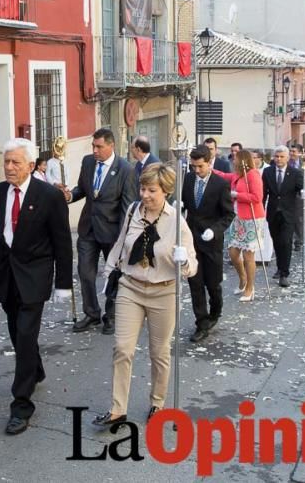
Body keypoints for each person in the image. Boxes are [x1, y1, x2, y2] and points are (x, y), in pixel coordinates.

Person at [0, 139, 73, 435]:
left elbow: (62, 243)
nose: (8, 167)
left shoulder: (48, 196)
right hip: (6, 277)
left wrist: (63, 284)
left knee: (26, 331)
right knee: (18, 334)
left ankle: (21, 405)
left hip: (35, 277)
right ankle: (35, 368)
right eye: (6, 161)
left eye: (15, 162)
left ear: (31, 165)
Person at [92, 164, 197, 429]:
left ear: (166, 191)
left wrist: (183, 261)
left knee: (159, 352)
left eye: (152, 190)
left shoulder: (176, 221)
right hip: (131, 287)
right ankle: (117, 410)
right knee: (122, 349)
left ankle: (158, 402)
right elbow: (121, 243)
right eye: (142, 188)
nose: (145, 195)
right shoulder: (132, 211)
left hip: (163, 292)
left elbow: (192, 266)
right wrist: (109, 270)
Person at [64, 128, 137, 335]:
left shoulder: (125, 170)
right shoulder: (88, 162)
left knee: (113, 275)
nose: (95, 150)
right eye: (93, 146)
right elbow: (82, 189)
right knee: (85, 273)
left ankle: (111, 316)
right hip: (88, 229)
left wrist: (124, 238)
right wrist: (69, 196)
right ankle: (91, 313)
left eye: (99, 147)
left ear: (111, 146)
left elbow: (128, 207)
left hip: (112, 231)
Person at [181, 146, 234, 342]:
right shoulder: (187, 179)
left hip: (211, 241)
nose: (196, 170)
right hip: (191, 240)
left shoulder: (220, 184)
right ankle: (201, 323)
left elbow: (229, 214)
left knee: (212, 284)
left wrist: (215, 230)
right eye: (193, 166)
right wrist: (178, 206)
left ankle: (215, 312)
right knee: (195, 282)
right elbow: (185, 203)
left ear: (209, 163)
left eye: (200, 166)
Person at [214, 149, 266, 301]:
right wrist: (210, 169)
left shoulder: (253, 175)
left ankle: (250, 288)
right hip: (237, 218)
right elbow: (225, 176)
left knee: (248, 255)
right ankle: (243, 278)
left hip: (251, 218)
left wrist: (237, 195)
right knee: (233, 252)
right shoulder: (238, 174)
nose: (233, 160)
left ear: (243, 160)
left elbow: (257, 197)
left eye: (236, 158)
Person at [263, 146, 304, 288]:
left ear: (287, 158)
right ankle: (280, 267)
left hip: (288, 213)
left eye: (281, 157)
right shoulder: (267, 172)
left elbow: (301, 187)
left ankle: (284, 274)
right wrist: (260, 210)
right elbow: (264, 193)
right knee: (277, 242)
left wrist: (304, 192)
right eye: (277, 156)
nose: (279, 159)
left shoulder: (295, 173)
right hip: (273, 212)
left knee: (286, 242)